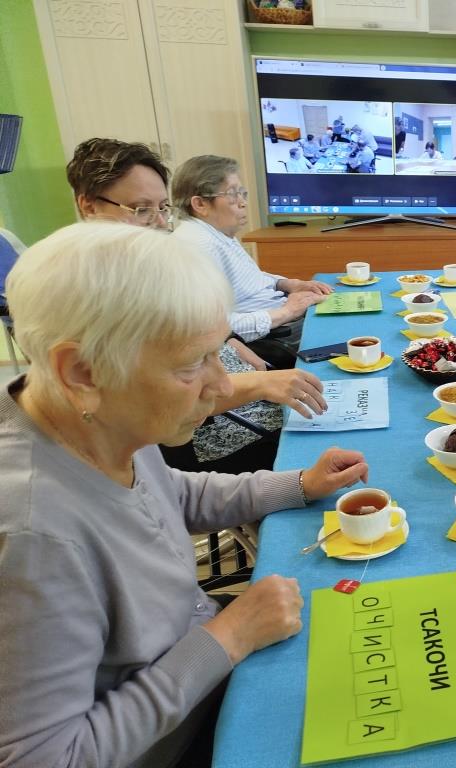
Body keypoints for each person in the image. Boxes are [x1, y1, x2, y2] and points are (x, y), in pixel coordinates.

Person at [0, 221, 371, 768]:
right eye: (191, 364)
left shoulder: (89, 421)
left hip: (195, 646)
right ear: (81, 371)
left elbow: (167, 493)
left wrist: (297, 483)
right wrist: (228, 636)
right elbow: (46, 758)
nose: (223, 387)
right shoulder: (35, 537)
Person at [64, 138, 328, 473]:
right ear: (88, 206)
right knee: (334, 432)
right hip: (209, 432)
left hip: (236, 396)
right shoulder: (94, 290)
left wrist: (228, 343)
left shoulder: (145, 267)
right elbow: (147, 398)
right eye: (141, 209)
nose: (159, 223)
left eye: (162, 208)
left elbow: (191, 332)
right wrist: (258, 384)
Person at [171, 154, 333, 368]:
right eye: (233, 194)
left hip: (281, 320)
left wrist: (287, 283)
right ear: (200, 203)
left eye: (242, 193)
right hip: (273, 337)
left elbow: (249, 279)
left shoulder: (216, 233)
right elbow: (212, 329)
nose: (243, 202)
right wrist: (287, 312)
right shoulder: (197, 246)